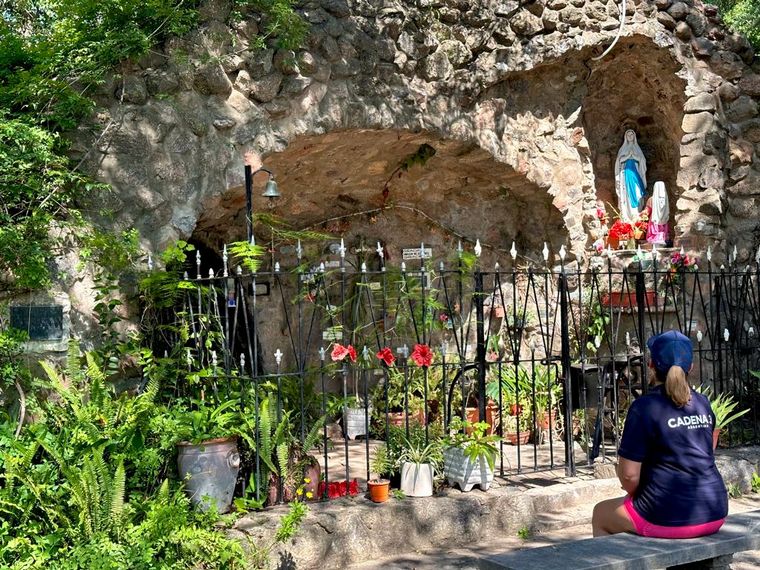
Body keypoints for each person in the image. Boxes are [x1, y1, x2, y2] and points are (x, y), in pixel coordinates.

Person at [591, 330, 728, 538]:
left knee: (600, 514)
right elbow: (706, 453)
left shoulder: (643, 407)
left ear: (651, 365)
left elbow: (629, 475)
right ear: (691, 367)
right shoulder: (702, 404)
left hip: (665, 517)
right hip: (715, 511)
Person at [614, 129, 647, 223]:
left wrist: (635, 156)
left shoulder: (637, 148)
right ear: (626, 137)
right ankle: (626, 215)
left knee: (637, 193)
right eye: (628, 135)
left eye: (631, 135)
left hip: (635, 174)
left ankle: (636, 213)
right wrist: (628, 156)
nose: (630, 137)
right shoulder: (623, 148)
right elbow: (619, 161)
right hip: (626, 174)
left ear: (634, 136)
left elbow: (642, 161)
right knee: (626, 194)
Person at [646, 181, 669, 245]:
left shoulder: (651, 199)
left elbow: (647, 211)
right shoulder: (666, 200)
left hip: (654, 221)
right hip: (664, 220)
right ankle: (662, 238)